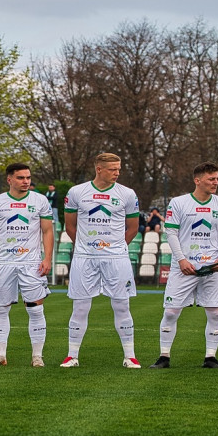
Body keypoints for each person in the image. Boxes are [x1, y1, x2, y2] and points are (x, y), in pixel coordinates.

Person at [149, 161, 218, 370]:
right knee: (170, 311)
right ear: (197, 180)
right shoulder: (178, 203)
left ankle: (211, 357)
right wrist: (181, 259)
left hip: (212, 267)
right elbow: (171, 233)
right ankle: (164, 357)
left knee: (215, 312)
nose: (215, 182)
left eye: (217, 179)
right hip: (184, 267)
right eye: (211, 179)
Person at [60, 152, 142, 368]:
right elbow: (70, 226)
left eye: (119, 168)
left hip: (116, 258)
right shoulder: (77, 192)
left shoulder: (127, 194)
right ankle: (72, 356)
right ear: (99, 169)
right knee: (80, 307)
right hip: (85, 258)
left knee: (122, 305)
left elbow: (133, 228)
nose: (118, 172)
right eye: (113, 169)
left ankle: (130, 356)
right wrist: (85, 248)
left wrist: (115, 248)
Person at [0, 163, 54, 367]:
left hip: (31, 263)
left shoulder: (40, 200)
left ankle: (37, 356)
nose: (26, 182)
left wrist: (47, 258)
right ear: (9, 179)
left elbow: (47, 231)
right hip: (3, 263)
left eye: (28, 178)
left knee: (35, 310)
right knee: (0, 309)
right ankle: (0, 355)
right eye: (21, 178)